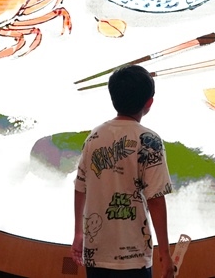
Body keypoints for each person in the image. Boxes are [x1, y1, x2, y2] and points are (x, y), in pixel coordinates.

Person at [72, 64, 175, 278]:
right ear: (149, 103)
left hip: (96, 253)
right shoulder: (150, 141)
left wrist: (78, 233)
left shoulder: (94, 137)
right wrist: (165, 253)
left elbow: (80, 188)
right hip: (134, 257)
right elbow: (156, 199)